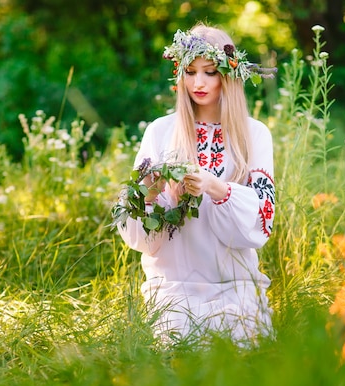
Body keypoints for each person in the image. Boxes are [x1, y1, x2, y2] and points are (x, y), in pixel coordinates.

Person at [117, 23, 276, 346]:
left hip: (235, 284)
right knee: (180, 357)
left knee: (243, 360)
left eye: (209, 72)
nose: (198, 83)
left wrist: (215, 187)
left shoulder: (254, 134)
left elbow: (263, 220)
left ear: (228, 75)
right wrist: (157, 191)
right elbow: (132, 222)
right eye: (190, 72)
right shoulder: (160, 131)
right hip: (174, 286)